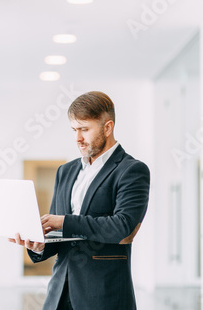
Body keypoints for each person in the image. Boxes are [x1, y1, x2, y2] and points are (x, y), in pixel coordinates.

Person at [9, 91, 150, 310]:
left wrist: (64, 221)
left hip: (104, 296)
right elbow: (58, 233)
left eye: (84, 129)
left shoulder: (131, 170)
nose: (78, 138)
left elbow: (122, 227)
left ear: (107, 127)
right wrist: (39, 246)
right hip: (59, 296)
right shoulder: (65, 171)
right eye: (74, 130)